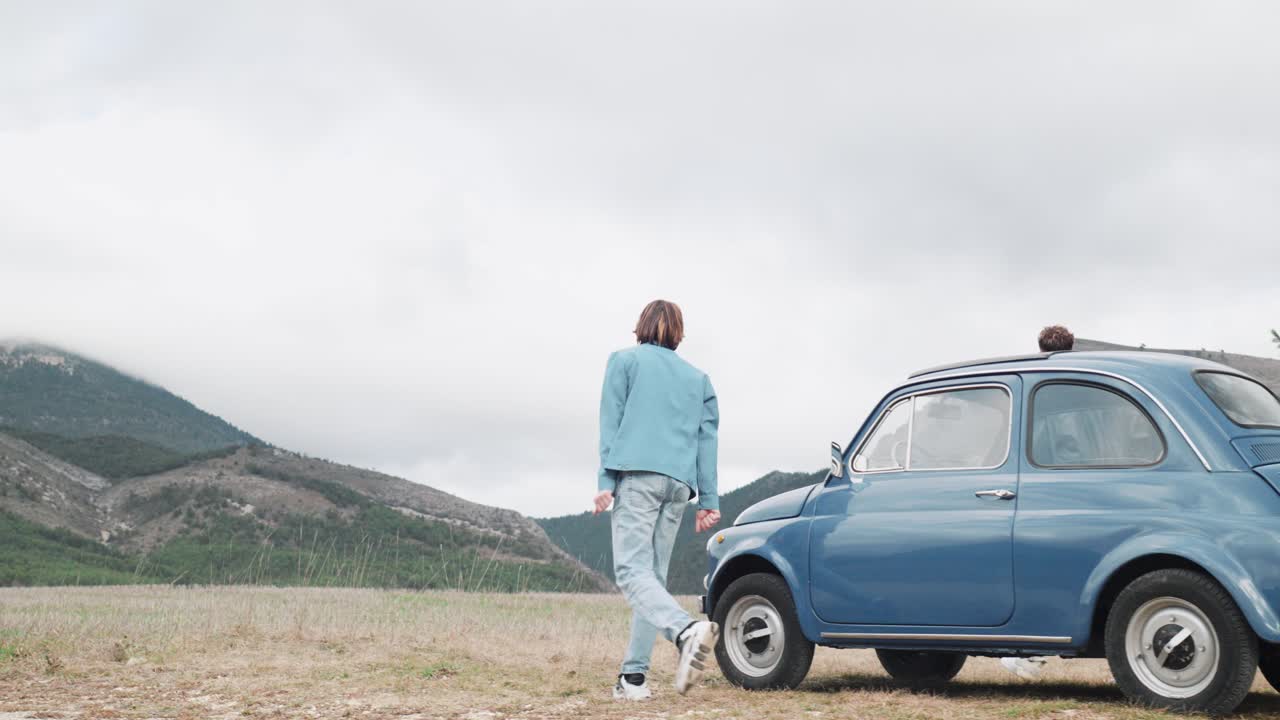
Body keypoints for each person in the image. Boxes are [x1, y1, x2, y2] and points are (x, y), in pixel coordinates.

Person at [593, 299, 722, 701]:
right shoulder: (699, 379)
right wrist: (708, 500)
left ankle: (685, 632)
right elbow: (707, 440)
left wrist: (606, 479)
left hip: (638, 476)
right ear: (678, 333)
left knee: (632, 573)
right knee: (652, 579)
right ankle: (633, 679)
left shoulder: (624, 361)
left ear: (641, 325)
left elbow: (611, 422)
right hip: (678, 486)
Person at [999, 324, 1076, 682]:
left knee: (1029, 576)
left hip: (1043, 491)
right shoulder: (1079, 384)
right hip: (1075, 490)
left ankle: (1029, 653)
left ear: (1040, 345)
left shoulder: (1038, 387)